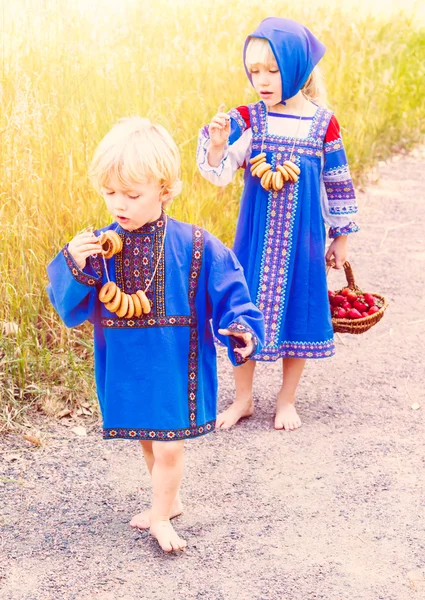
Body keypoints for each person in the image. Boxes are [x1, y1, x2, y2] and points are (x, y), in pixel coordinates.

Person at [47, 117, 264, 552]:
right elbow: (69, 307)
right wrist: (71, 261)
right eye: (109, 193)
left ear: (164, 190)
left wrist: (241, 327)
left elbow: (232, 291)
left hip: (173, 361)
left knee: (168, 448)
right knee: (149, 438)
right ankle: (171, 498)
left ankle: (162, 516)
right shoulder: (99, 248)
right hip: (128, 362)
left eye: (131, 194)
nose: (118, 205)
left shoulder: (196, 244)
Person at [197, 17, 359, 432]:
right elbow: (219, 172)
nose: (262, 81)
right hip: (254, 239)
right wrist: (218, 147)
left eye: (273, 70)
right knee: (241, 312)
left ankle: (286, 399)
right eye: (254, 71)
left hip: (304, 242)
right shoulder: (248, 120)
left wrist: (341, 236)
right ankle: (244, 398)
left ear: (298, 69)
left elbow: (336, 181)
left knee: (300, 310)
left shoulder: (323, 123)